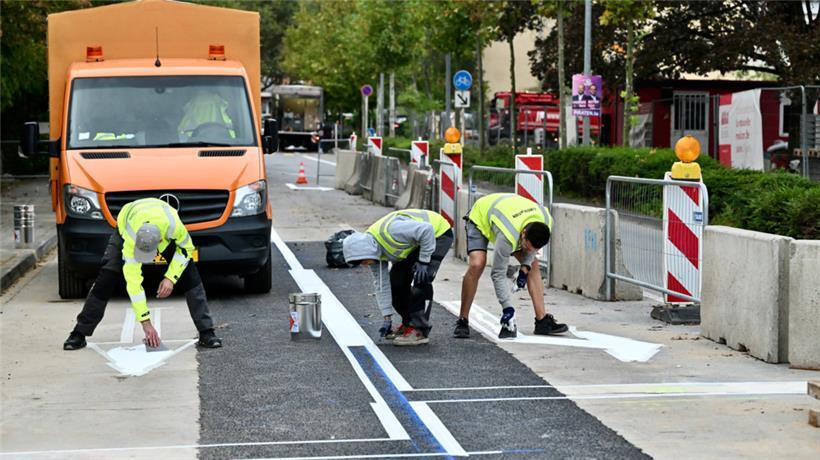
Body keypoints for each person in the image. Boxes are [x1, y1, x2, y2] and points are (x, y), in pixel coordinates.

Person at [63, 198, 223, 350]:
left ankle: (207, 332)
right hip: (128, 221)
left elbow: (187, 249)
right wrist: (146, 323)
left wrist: (170, 277)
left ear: (161, 242)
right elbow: (133, 283)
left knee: (189, 274)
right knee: (107, 276)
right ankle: (79, 333)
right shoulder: (131, 238)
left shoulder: (174, 227)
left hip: (161, 222)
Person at [455, 193, 568, 339]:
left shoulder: (546, 221)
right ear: (523, 234)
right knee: (478, 263)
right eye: (526, 246)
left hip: (511, 212)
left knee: (533, 265)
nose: (529, 251)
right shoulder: (507, 236)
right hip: (481, 215)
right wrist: (508, 308)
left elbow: (531, 251)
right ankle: (463, 320)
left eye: (533, 249)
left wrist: (524, 269)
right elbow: (498, 274)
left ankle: (542, 321)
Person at [343, 209, 453, 346]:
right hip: (416, 243)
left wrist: (424, 262)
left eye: (362, 261)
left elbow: (427, 230)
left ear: (365, 251)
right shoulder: (372, 251)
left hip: (437, 234)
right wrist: (387, 318)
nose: (364, 265)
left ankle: (419, 330)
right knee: (396, 283)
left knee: (422, 278)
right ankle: (409, 324)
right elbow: (381, 285)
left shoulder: (391, 231)